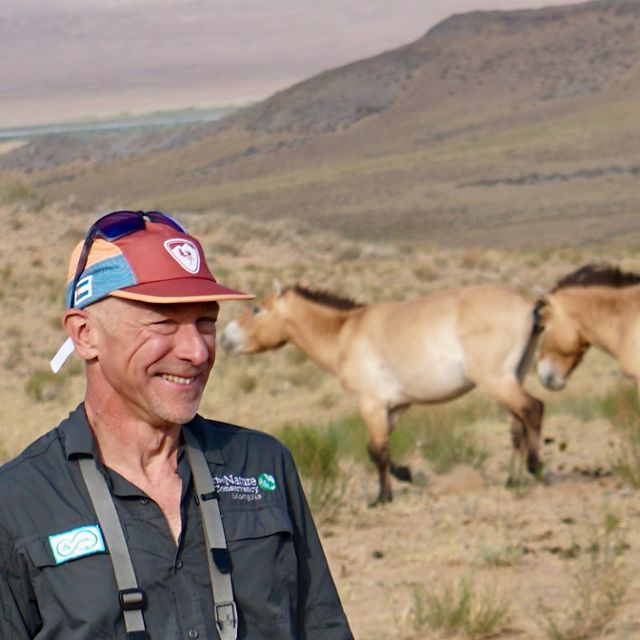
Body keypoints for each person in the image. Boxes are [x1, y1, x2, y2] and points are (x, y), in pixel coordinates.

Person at [0, 210, 353, 640]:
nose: (197, 351)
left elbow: (322, 626)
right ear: (84, 334)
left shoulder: (262, 464)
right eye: (164, 322)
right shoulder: (17, 502)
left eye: (205, 322)